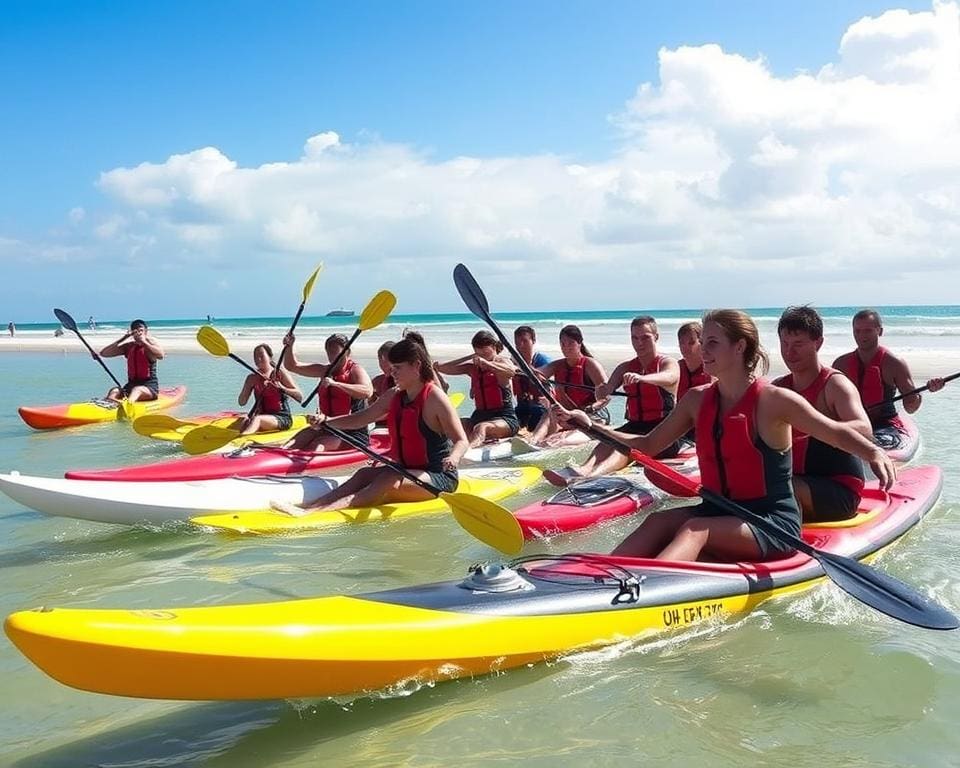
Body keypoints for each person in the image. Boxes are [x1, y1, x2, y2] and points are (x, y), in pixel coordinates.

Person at [554, 309, 895, 563]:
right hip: (718, 511)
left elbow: (835, 432)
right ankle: (600, 580)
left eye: (713, 342)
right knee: (658, 521)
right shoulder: (697, 399)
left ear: (739, 347)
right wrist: (588, 425)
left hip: (769, 523)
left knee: (692, 531)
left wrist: (874, 452)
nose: (704, 349)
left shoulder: (773, 400)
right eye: (704, 342)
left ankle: (641, 597)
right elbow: (646, 446)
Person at [271, 337, 468, 515]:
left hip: (437, 476)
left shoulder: (435, 398)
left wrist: (454, 457)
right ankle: (311, 506)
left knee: (387, 479)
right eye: (392, 368)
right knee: (363, 474)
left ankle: (318, 513)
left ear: (416, 366)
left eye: (397, 368)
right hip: (406, 470)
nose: (392, 373)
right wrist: (326, 422)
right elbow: (362, 418)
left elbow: (461, 440)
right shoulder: (395, 394)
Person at [544, 316, 679, 486]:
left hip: (663, 433)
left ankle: (592, 476)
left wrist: (643, 378)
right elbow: (606, 390)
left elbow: (670, 377)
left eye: (645, 337)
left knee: (624, 448)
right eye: (635, 338)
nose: (639, 343)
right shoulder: (625, 368)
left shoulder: (668, 363)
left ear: (656, 337)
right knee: (605, 441)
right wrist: (601, 391)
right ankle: (584, 469)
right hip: (635, 426)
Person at [774, 306, 869, 522]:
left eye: (798, 344)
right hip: (795, 482)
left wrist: (813, 426)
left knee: (777, 485)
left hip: (839, 491)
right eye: (784, 344)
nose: (789, 352)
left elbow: (865, 431)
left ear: (818, 343)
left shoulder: (835, 385)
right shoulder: (778, 388)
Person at [833, 309, 944, 450]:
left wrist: (926, 390)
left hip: (884, 426)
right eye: (857, 331)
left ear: (880, 331)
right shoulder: (840, 364)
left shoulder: (894, 364)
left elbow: (911, 408)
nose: (861, 336)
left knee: (876, 444)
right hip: (852, 424)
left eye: (868, 331)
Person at [282, 332, 374, 452]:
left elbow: (367, 391)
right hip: (326, 426)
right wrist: (289, 346)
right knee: (289, 445)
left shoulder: (355, 370)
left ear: (347, 353)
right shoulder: (325, 370)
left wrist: (336, 384)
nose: (333, 357)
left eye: (337, 353)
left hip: (352, 433)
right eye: (330, 353)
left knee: (317, 445)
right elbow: (292, 366)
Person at [528, 324, 610, 446]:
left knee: (561, 439)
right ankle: (533, 441)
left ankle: (556, 442)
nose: (566, 348)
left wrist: (592, 407)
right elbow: (538, 373)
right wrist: (522, 368)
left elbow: (607, 396)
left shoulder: (590, 365)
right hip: (567, 415)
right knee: (547, 414)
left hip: (591, 417)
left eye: (570, 343)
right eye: (563, 344)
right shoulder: (558, 365)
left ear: (579, 343)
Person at [436, 330, 519, 448]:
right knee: (454, 424)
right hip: (479, 415)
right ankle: (443, 450)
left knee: (482, 427)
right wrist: (469, 357)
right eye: (478, 353)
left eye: (485, 352)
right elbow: (441, 367)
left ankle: (466, 452)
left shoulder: (502, 362)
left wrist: (488, 364)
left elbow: (511, 371)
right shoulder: (472, 368)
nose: (482, 357)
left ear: (494, 347)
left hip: (504, 417)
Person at [227, 343, 302, 436]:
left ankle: (243, 438)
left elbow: (299, 396)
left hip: (281, 417)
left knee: (257, 419)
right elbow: (241, 402)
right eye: (255, 357)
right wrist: (248, 385)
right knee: (243, 419)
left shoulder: (279, 373)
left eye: (261, 356)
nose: (258, 359)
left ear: (270, 357)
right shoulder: (252, 377)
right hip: (261, 415)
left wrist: (281, 388)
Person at [98, 319, 164, 402]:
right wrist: (124, 337)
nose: (138, 333)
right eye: (135, 330)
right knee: (115, 390)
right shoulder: (129, 347)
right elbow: (104, 353)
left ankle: (128, 404)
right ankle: (113, 401)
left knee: (137, 390)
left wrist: (143, 341)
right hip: (130, 386)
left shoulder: (150, 344)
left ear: (146, 331)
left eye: (141, 330)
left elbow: (161, 355)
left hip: (149, 387)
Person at [512, 325, 551, 432]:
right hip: (522, 407)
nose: (520, 345)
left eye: (524, 341)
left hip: (541, 407)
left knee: (536, 412)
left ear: (533, 341)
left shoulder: (542, 360)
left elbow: (544, 379)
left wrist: (526, 367)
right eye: (517, 342)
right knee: (510, 417)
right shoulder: (513, 362)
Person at [370, 340, 396, 427]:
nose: (382, 364)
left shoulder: (405, 383)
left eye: (385, 360)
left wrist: (366, 418)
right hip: (380, 428)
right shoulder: (377, 381)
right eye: (380, 359)